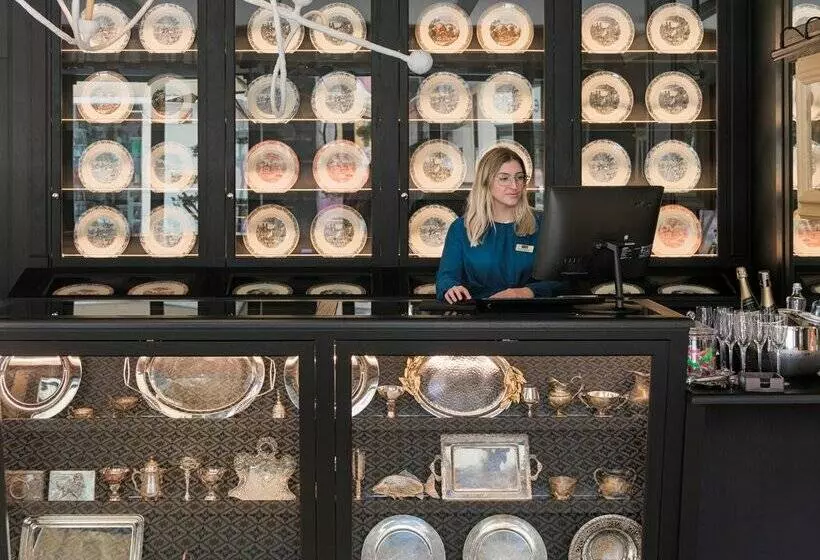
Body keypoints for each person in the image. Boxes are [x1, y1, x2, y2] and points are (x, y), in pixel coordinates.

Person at [436, 147, 562, 303]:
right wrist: (451, 288)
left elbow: (563, 281)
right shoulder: (461, 228)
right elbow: (446, 278)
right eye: (504, 178)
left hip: (533, 314)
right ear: (485, 182)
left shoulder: (544, 224)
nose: (514, 186)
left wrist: (525, 292)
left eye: (519, 177)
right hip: (480, 314)